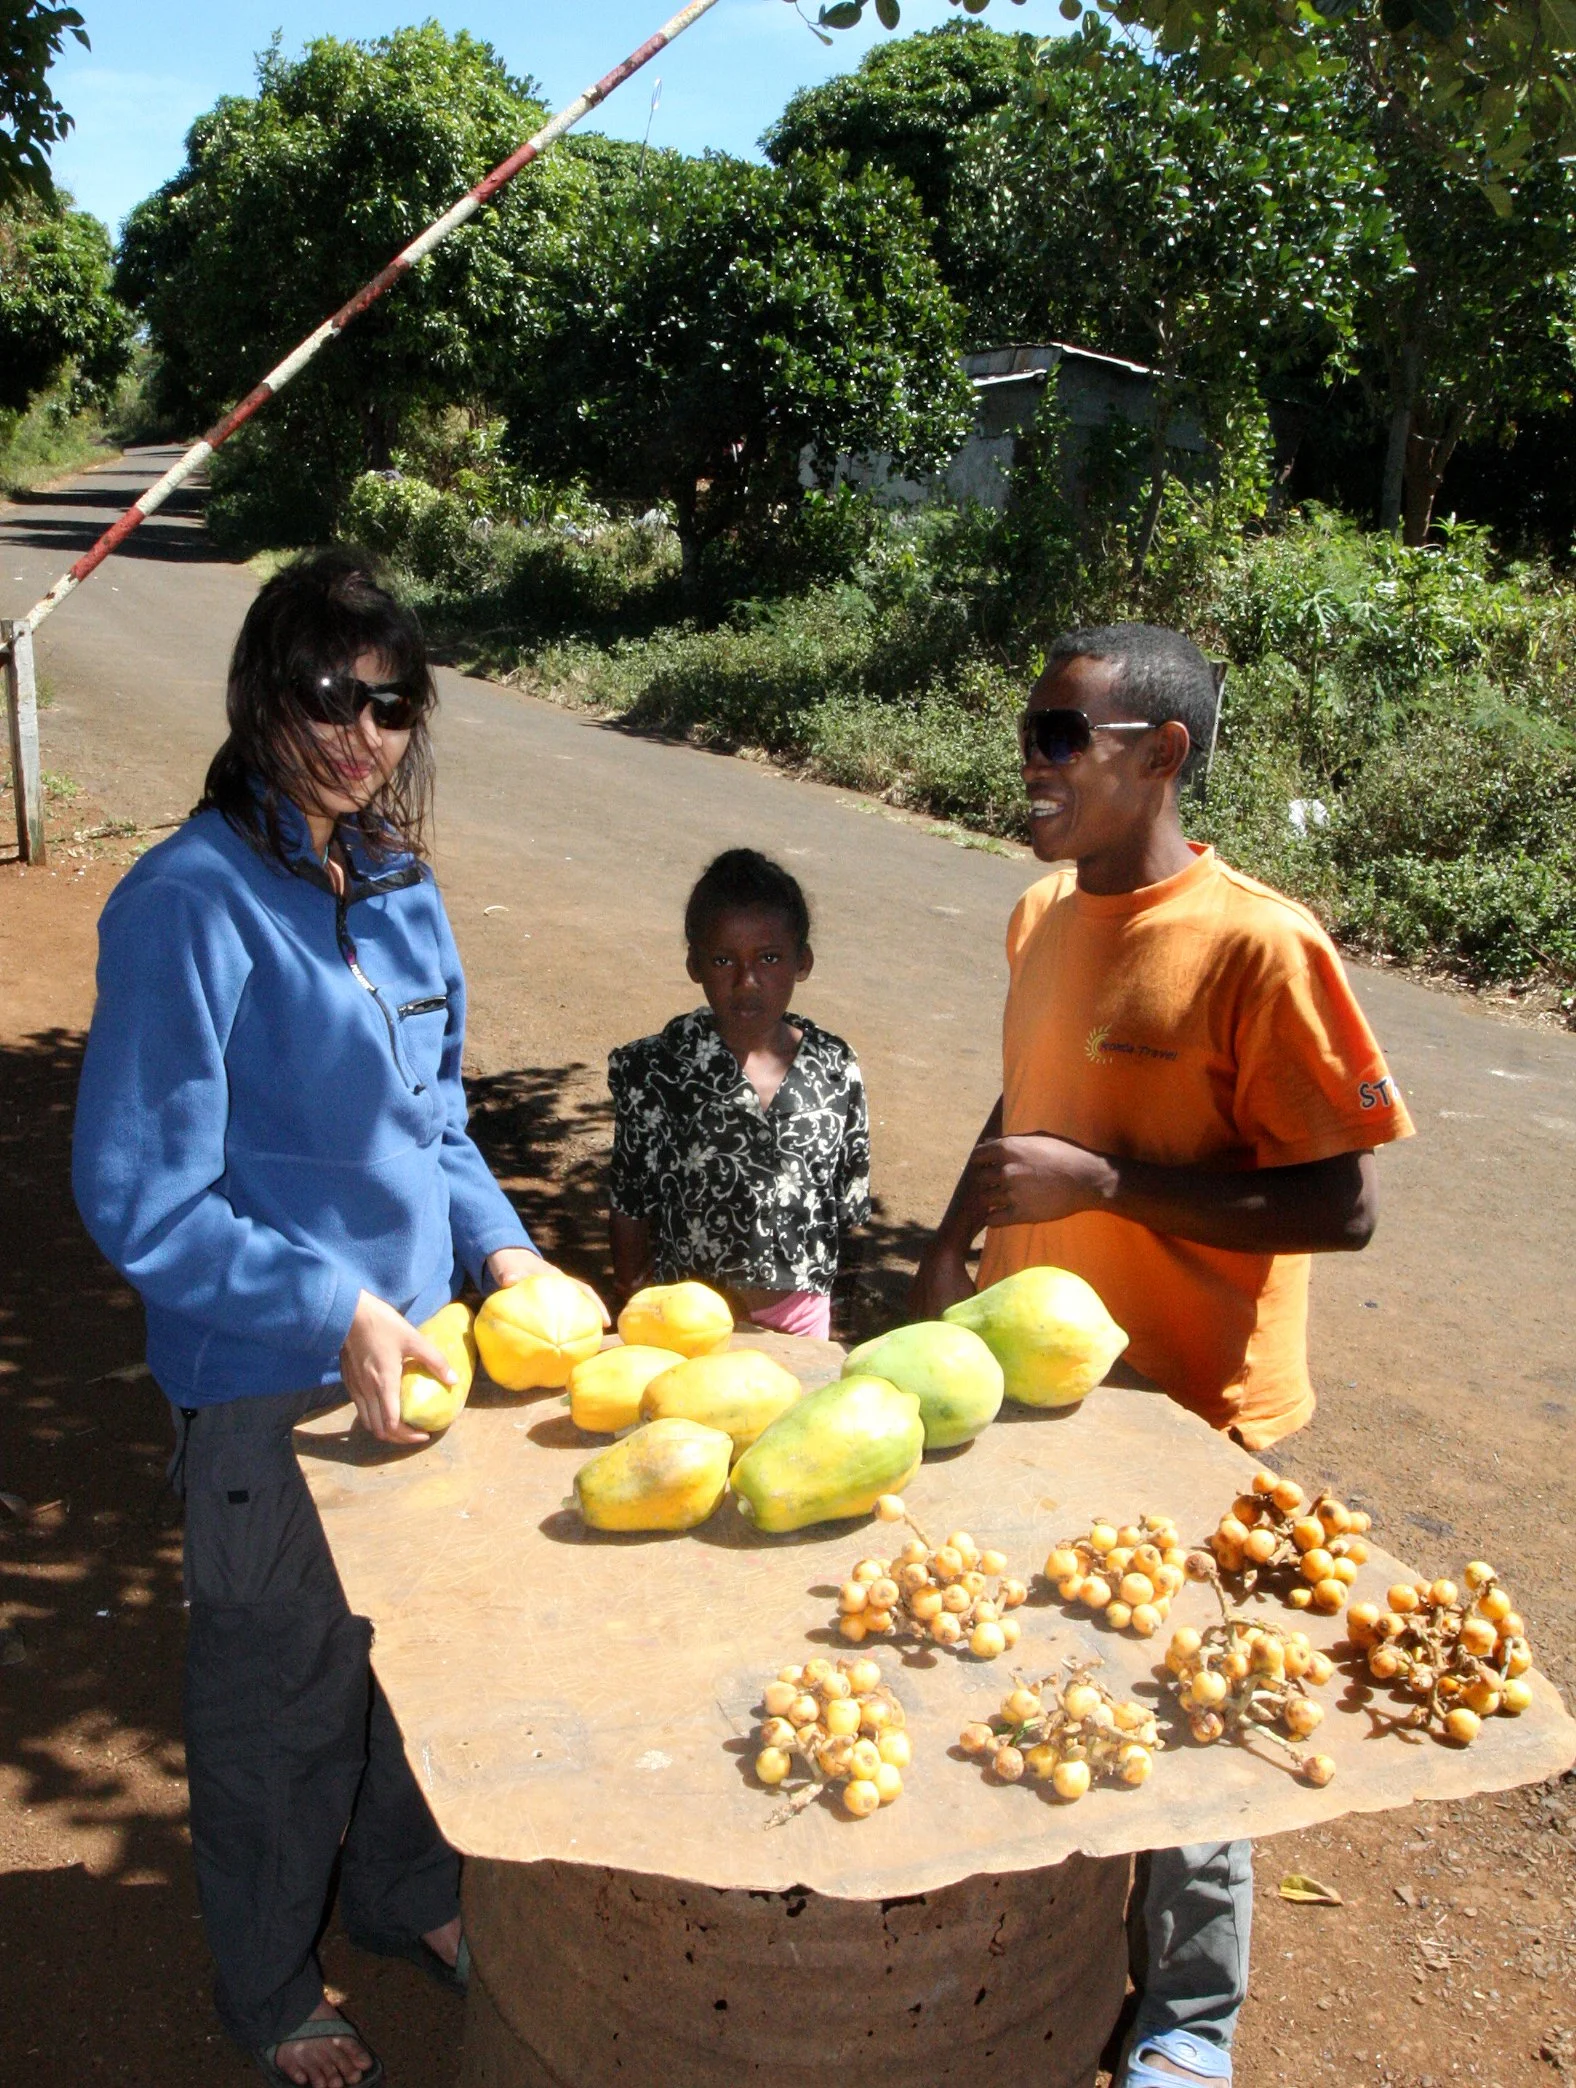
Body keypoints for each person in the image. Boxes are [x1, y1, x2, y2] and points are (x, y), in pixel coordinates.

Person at [72, 551, 602, 2088]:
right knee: (282, 1701)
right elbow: (142, 1200)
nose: (359, 730)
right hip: (269, 1388)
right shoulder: (186, 903)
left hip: (421, 1364)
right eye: (327, 694)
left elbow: (436, 1129)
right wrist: (332, 1301)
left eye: (391, 701)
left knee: (419, 1676)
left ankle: (405, 1893)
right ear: (259, 696)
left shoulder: (401, 891)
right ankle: (264, 1984)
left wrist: (505, 1259)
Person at [910, 623, 1413, 2088]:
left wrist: (1113, 1185)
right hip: (1036, 1394)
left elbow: (1346, 1204)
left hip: (1197, 1413)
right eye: (1033, 727)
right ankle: (1052, 1950)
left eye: (1066, 735)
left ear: (1161, 757)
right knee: (1046, 1667)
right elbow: (1025, 1106)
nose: (1034, 759)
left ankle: (1188, 2029)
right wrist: (951, 1244)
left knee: (1195, 1714)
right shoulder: (1036, 914)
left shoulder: (1262, 943)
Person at [607, 847, 869, 1341]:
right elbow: (630, 1198)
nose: (746, 982)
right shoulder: (658, 1069)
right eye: (723, 959)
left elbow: (848, 1205)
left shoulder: (835, 1067)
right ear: (695, 964)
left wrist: (837, 1325)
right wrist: (633, 1295)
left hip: (801, 1317)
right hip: (687, 1317)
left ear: (802, 961)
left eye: (769, 958)